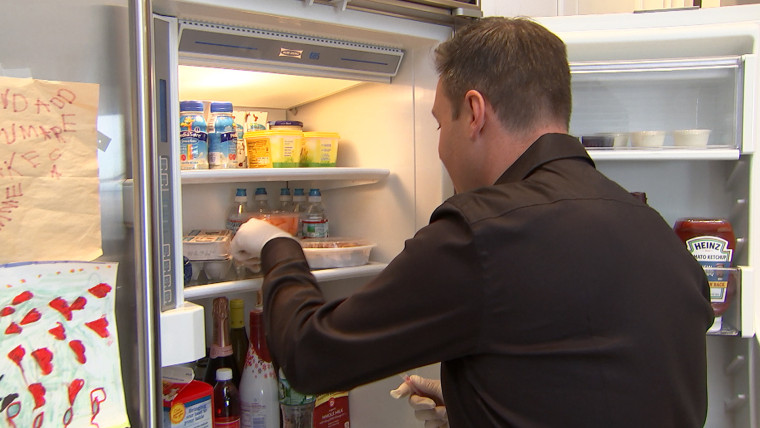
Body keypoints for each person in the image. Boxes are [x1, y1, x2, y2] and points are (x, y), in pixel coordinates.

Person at [231, 16, 714, 427]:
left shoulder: (481, 234)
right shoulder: (655, 229)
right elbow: (596, 380)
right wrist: (473, 403)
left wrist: (277, 245)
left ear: (476, 113)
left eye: (441, 123)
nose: (440, 147)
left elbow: (310, 356)